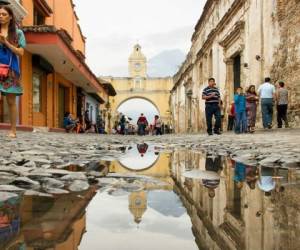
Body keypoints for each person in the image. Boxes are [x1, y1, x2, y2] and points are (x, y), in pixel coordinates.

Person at [0, 5, 26, 138]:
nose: (1, 16)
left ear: (10, 17)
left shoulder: (18, 33)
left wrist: (6, 43)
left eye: (4, 14)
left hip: (11, 70)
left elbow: (21, 52)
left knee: (11, 101)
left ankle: (13, 130)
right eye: (0, 14)